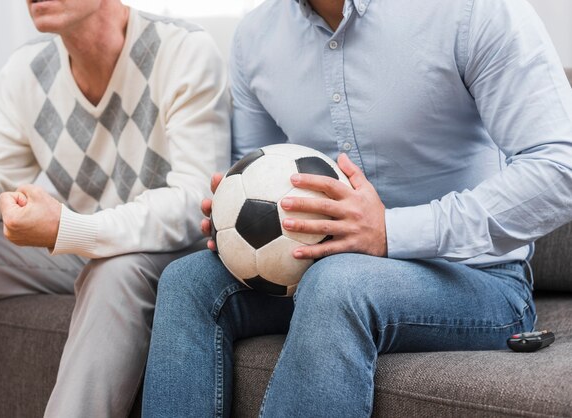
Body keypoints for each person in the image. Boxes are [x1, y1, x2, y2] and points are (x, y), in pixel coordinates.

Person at [142, 0, 572, 416]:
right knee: (187, 280)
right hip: (322, 268)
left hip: (478, 282)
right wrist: (233, 223)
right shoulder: (255, 37)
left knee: (338, 282)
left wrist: (390, 231)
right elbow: (258, 168)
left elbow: (559, 169)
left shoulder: (470, 10)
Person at [0, 0, 230, 416]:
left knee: (114, 270)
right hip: (85, 243)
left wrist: (69, 229)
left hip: (170, 255)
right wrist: (72, 231)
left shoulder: (182, 50)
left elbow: (194, 201)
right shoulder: (26, 71)